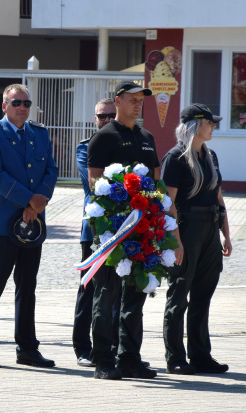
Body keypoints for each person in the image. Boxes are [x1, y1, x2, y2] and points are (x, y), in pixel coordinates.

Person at [0, 84, 58, 369]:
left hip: (33, 222)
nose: (22, 107)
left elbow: (51, 169)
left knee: (27, 286)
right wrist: (29, 200)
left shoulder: (39, 133)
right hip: (2, 222)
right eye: (16, 103)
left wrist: (37, 203)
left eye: (26, 103)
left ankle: (27, 348)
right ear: (4, 106)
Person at [87, 80, 160, 380]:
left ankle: (129, 356)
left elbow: (156, 180)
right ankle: (103, 358)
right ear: (117, 101)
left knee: (136, 293)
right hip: (113, 228)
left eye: (141, 99)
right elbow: (94, 182)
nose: (138, 103)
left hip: (142, 227)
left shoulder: (146, 137)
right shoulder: (103, 137)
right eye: (132, 98)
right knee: (108, 292)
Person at [162, 104, 231, 375]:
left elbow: (218, 197)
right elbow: (169, 203)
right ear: (194, 125)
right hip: (187, 229)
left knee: (203, 295)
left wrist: (226, 232)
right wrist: (175, 241)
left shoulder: (210, 155)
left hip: (210, 229)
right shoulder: (176, 157)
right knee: (179, 294)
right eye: (209, 123)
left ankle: (201, 355)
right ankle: (175, 357)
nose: (213, 126)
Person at [72, 98, 121, 368]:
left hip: (125, 229)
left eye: (111, 115)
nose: (106, 120)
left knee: (119, 292)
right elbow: (97, 183)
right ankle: (82, 347)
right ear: (95, 119)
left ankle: (113, 346)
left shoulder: (129, 145)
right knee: (89, 288)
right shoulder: (86, 148)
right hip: (94, 231)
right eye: (101, 116)